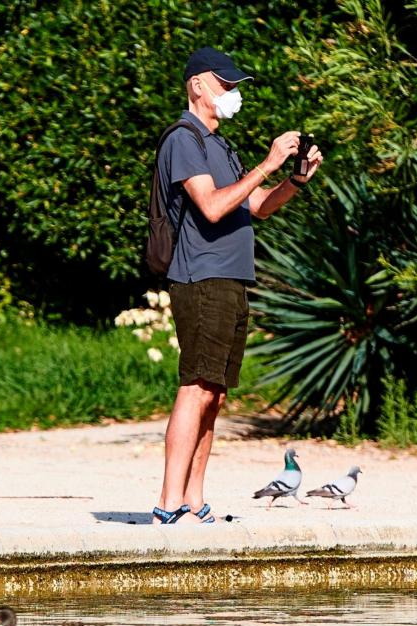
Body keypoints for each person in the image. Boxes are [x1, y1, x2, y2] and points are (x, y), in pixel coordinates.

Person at [151, 47, 322, 524]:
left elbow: (258, 204)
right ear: (197, 85)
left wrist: (296, 180)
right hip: (200, 277)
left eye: (235, 84)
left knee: (216, 391)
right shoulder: (184, 140)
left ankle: (193, 498)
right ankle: (167, 502)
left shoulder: (219, 144)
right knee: (196, 386)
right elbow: (210, 206)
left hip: (231, 278)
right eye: (225, 84)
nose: (233, 93)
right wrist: (267, 163)